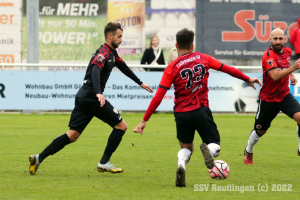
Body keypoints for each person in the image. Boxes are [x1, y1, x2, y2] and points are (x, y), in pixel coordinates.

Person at [133, 28, 262, 187]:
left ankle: (181, 165)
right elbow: (228, 69)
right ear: (192, 45)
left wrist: (144, 120)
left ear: (176, 45)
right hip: (201, 110)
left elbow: (158, 96)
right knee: (215, 144)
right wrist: (247, 79)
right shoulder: (203, 58)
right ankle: (210, 152)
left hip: (181, 114)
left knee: (186, 147)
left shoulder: (172, 67)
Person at [28, 22, 154, 175]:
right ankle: (104, 162)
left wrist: (140, 82)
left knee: (73, 135)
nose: (121, 40)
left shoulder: (112, 53)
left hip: (84, 96)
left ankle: (38, 157)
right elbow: (95, 70)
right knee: (122, 126)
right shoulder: (103, 52)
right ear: (110, 36)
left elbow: (124, 67)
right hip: (91, 96)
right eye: (119, 37)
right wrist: (98, 93)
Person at [244, 28, 300, 165]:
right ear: (270, 40)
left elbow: (284, 65)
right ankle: (248, 150)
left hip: (284, 95)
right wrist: (293, 69)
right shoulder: (268, 55)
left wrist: (291, 74)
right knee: (260, 130)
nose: (278, 41)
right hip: (268, 99)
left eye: (281, 38)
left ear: (285, 40)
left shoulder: (287, 51)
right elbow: (274, 76)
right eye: (275, 38)